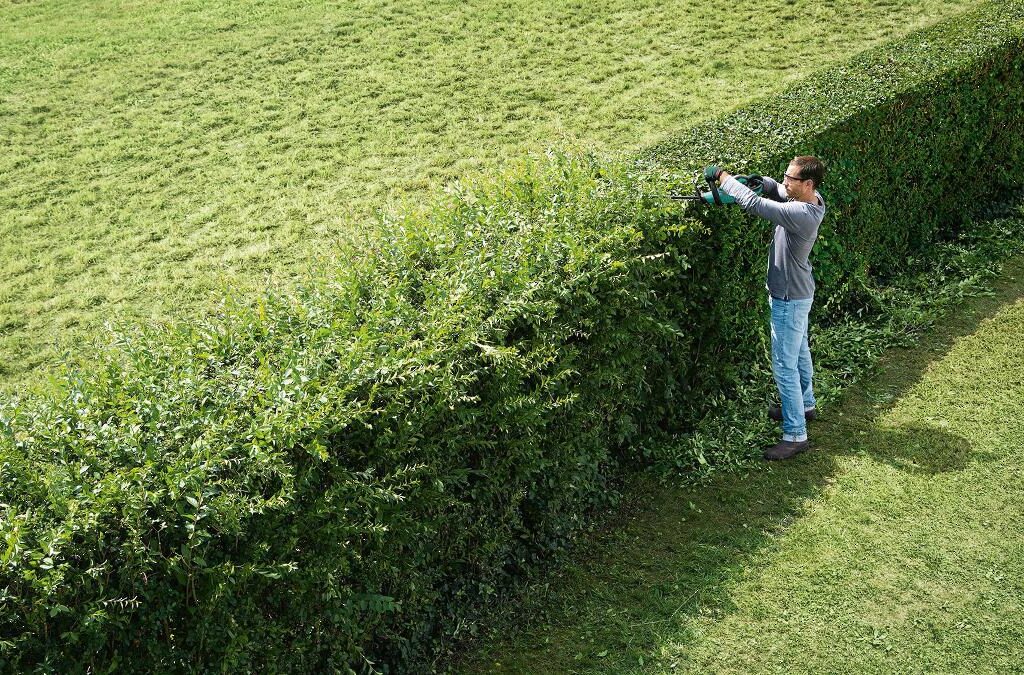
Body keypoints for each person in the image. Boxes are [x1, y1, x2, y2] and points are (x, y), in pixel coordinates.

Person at [705, 157, 827, 460]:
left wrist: (724, 178)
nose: (785, 182)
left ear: (807, 184)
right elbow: (778, 193)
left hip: (788, 297)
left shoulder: (802, 213)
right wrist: (765, 182)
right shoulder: (813, 198)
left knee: (784, 365)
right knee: (798, 352)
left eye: (791, 178)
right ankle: (806, 404)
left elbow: (757, 206)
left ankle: (795, 434)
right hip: (799, 292)